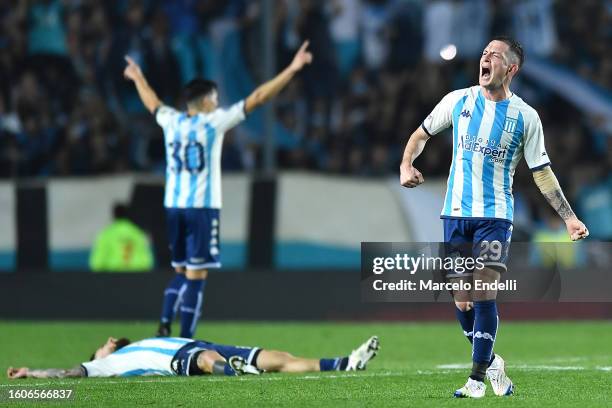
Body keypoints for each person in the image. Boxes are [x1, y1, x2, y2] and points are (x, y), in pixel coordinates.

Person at [399, 36, 589, 398]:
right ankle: (493, 363)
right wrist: (407, 164)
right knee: (462, 300)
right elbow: (420, 135)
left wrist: (568, 217)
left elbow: (542, 171)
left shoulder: (526, 117)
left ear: (510, 69)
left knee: (484, 289)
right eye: (484, 53)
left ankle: (475, 380)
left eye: (495, 56)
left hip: (495, 215)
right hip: (455, 211)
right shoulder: (458, 100)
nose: (485, 58)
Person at [122, 42, 313, 339]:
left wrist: (137, 78)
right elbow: (259, 97)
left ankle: (163, 321)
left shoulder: (170, 120)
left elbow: (152, 102)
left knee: (180, 272)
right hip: (202, 208)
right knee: (197, 277)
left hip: (173, 206)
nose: (217, 101)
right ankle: (186, 338)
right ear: (207, 101)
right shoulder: (213, 122)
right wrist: (292, 68)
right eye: (215, 97)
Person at [6, 335, 379, 379]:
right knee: (203, 360)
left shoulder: (139, 342)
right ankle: (234, 373)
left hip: (202, 343)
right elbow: (68, 374)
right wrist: (31, 374)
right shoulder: (102, 366)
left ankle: (347, 362)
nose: (107, 343)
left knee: (279, 356)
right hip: (182, 359)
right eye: (104, 345)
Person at [89, 204, 154, 272]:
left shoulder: (107, 234)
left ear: (114, 215)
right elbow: (147, 261)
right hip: (135, 276)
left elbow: (96, 263)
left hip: (113, 276)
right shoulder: (137, 233)